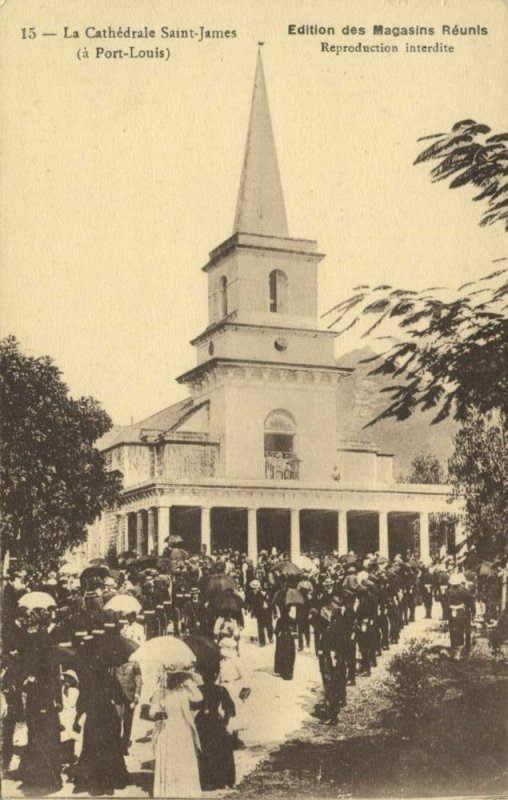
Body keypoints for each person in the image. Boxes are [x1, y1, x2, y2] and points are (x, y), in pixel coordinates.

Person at [72, 664, 129, 795]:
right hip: (108, 717)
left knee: (93, 748)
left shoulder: (87, 680)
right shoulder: (110, 679)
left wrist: (77, 719)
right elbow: (120, 697)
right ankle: (109, 782)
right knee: (109, 748)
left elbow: (81, 703)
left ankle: (95, 781)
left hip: (94, 718)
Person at [149, 668, 202, 798]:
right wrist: (157, 714)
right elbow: (151, 712)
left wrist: (189, 681)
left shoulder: (183, 691)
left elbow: (199, 697)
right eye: (170, 676)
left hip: (182, 730)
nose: (172, 679)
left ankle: (185, 791)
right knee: (170, 761)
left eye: (176, 676)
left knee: (183, 760)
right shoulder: (160, 693)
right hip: (166, 730)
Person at [195, 672, 236, 790]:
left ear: (202, 677)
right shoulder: (221, 690)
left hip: (202, 722)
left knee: (205, 750)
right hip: (216, 722)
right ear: (215, 675)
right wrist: (225, 720)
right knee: (222, 750)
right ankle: (223, 781)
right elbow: (231, 708)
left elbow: (192, 706)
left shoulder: (198, 689)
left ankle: (207, 782)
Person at [115, 658, 142, 754]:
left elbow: (139, 680)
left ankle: (124, 745)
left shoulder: (134, 663)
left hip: (130, 697)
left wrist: (137, 695)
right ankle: (117, 744)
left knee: (127, 722)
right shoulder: (115, 663)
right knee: (116, 720)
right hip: (117, 696)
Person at [274, 608, 296, 680]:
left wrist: (280, 633)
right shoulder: (292, 620)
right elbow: (295, 633)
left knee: (282, 655)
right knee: (290, 655)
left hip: (282, 640)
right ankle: (289, 672)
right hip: (289, 641)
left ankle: (282, 671)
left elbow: (276, 631)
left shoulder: (280, 620)